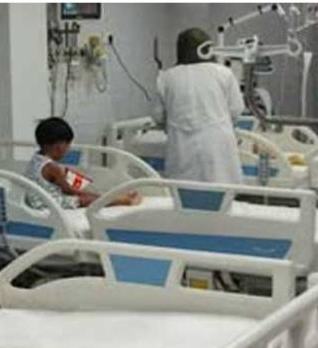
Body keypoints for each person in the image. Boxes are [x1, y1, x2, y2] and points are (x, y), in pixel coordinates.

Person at [152, 27, 245, 184]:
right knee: (223, 193)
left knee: (184, 195)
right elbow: (236, 110)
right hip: (219, 152)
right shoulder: (224, 73)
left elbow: (158, 116)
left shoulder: (166, 78)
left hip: (181, 152)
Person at [25, 117, 140, 210]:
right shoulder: (52, 167)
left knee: (77, 181)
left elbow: (57, 178)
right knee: (87, 199)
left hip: (37, 201)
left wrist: (81, 183)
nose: (68, 150)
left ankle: (112, 196)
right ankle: (122, 200)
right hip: (49, 204)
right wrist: (87, 193)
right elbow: (69, 190)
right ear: (59, 147)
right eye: (67, 146)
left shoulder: (37, 159)